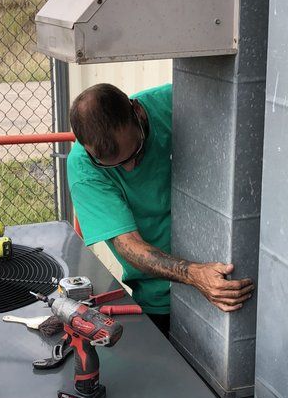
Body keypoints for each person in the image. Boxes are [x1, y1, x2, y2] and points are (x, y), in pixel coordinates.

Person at [66, 82, 254, 335]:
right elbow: (128, 245)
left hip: (222, 272)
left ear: (137, 112)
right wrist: (194, 274)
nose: (130, 168)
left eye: (136, 151)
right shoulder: (83, 168)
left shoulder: (176, 101)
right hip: (159, 297)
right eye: (113, 165)